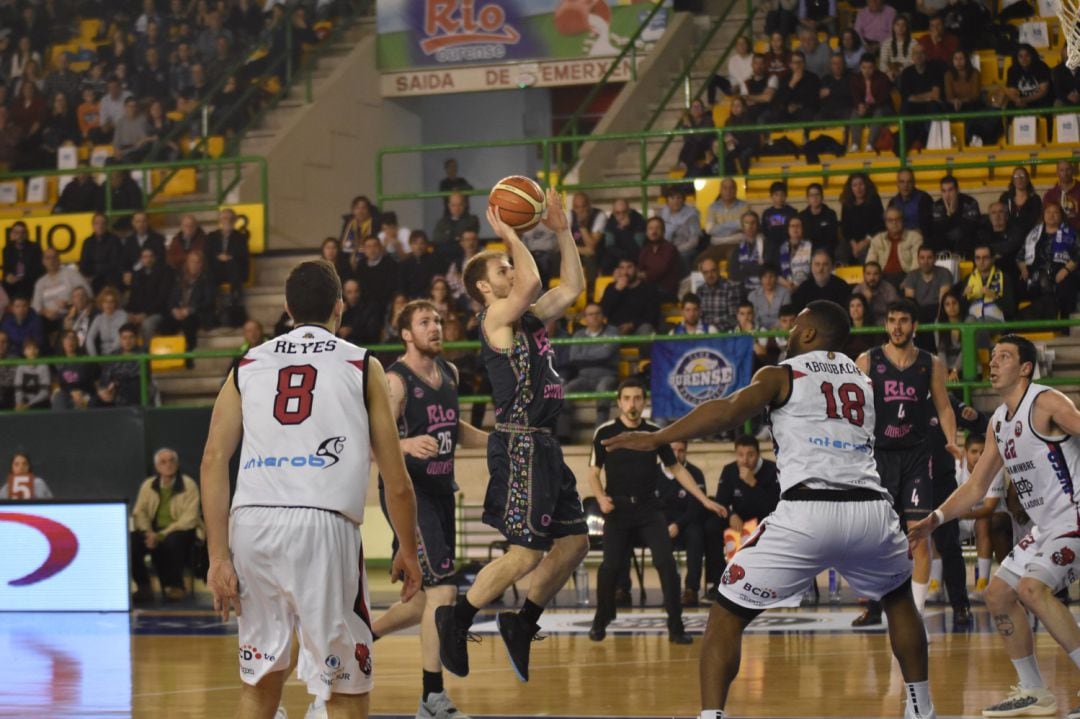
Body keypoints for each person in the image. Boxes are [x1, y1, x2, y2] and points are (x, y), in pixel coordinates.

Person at [604, 300, 936, 719]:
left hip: (809, 509)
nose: (789, 332)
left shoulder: (783, 373)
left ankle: (711, 717)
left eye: (795, 325)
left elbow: (727, 410)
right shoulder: (863, 379)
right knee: (899, 598)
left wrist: (658, 438)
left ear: (811, 334)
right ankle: (923, 710)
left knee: (725, 612)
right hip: (870, 509)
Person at [200, 259, 422, 718]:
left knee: (260, 682)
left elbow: (212, 460)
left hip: (252, 525)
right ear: (339, 307)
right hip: (322, 524)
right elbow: (395, 480)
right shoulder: (362, 364)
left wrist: (218, 555)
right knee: (345, 689)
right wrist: (407, 546)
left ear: (286, 307)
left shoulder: (247, 364)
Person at [440, 190, 590, 683]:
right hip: (519, 443)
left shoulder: (526, 318)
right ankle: (457, 618)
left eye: (510, 266)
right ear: (484, 288)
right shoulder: (495, 319)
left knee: (574, 543)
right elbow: (532, 281)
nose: (511, 272)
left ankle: (521, 622)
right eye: (502, 269)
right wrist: (510, 231)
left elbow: (571, 287)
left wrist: (562, 229)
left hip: (544, 442)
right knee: (526, 552)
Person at [909, 335, 1080, 718]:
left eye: (1004, 356)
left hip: (1075, 515)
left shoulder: (1047, 401)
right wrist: (935, 518)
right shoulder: (999, 423)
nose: (994, 361)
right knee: (999, 593)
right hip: (1046, 525)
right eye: (993, 355)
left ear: (1024, 368)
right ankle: (1035, 691)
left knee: (1032, 589)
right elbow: (975, 487)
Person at [365, 299, 487, 719]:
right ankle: (431, 698)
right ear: (405, 333)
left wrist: (499, 441)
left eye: (438, 320)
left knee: (425, 598)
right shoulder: (396, 382)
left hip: (439, 492)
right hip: (407, 494)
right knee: (443, 590)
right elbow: (364, 442)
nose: (435, 327)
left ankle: (360, 636)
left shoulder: (449, 373)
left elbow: (454, 429)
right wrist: (402, 444)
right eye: (424, 322)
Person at [588, 378, 725, 643]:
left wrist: (704, 499)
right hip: (618, 508)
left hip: (649, 509)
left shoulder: (655, 433)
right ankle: (601, 617)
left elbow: (676, 469)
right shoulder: (604, 433)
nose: (632, 404)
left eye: (637, 398)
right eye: (627, 398)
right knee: (609, 568)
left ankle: (676, 627)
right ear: (619, 403)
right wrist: (600, 497)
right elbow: (593, 472)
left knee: (666, 564)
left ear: (644, 401)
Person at [850, 299, 961, 628]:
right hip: (878, 456)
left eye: (904, 320)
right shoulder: (867, 361)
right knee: (875, 538)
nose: (897, 326)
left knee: (919, 536)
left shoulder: (931, 363)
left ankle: (916, 613)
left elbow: (943, 407)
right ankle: (874, 606)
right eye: (892, 320)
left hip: (915, 455)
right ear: (885, 324)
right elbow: (855, 408)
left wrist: (952, 440)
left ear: (915, 325)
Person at [703, 434, 780, 601]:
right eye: (740, 455)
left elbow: (773, 508)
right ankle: (720, 582)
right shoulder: (730, 470)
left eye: (750, 455)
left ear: (758, 454)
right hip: (738, 519)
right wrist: (731, 515)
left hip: (763, 520)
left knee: (771, 528)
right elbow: (721, 503)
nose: (745, 460)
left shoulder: (772, 470)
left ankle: (763, 584)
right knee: (711, 526)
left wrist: (753, 484)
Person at [130, 448, 202, 603]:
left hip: (179, 530)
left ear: (177, 464)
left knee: (172, 541)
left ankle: (175, 587)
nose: (168, 465)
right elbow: (139, 512)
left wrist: (161, 535)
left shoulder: (188, 485)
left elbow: (190, 518)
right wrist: (148, 532)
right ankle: (143, 586)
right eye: (163, 462)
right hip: (152, 529)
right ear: (157, 466)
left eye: (171, 461)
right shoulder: (148, 485)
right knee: (131, 542)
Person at [557, 303, 620, 441]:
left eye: (597, 313)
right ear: (585, 318)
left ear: (603, 316)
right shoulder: (579, 334)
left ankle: (600, 434)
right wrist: (599, 351)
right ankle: (563, 435)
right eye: (590, 314)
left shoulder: (612, 331)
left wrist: (585, 353)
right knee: (565, 391)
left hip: (607, 375)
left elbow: (607, 353)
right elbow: (573, 356)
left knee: (603, 390)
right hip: (583, 377)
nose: (594, 317)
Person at [659, 440, 709, 606]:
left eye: (681, 450)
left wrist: (678, 525)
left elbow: (697, 507)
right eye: (673, 450)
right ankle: (622, 589)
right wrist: (662, 526)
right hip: (659, 525)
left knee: (696, 535)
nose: (676, 454)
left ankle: (691, 590)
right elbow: (648, 505)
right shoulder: (651, 473)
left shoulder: (695, 473)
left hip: (686, 523)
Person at [902, 244, 952, 327]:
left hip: (938, 310)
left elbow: (943, 300)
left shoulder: (944, 273)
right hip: (919, 312)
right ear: (917, 259)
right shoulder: (911, 275)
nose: (925, 262)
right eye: (922, 258)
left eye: (929, 258)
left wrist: (938, 321)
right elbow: (910, 303)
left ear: (935, 259)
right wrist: (914, 320)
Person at [962, 243, 1013, 323]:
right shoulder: (968, 279)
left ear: (993, 259)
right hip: (973, 318)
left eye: (985, 258)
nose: (981, 261)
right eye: (978, 258)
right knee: (969, 322)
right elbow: (960, 309)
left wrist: (994, 296)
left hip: (996, 320)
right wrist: (964, 296)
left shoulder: (1004, 278)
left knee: (981, 323)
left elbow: (1011, 309)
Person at [888, 169, 933, 239]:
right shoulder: (893, 202)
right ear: (897, 184)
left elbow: (927, 228)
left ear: (914, 183)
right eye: (902, 182)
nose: (905, 185)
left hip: (919, 241)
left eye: (909, 182)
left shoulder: (924, 199)